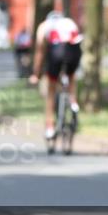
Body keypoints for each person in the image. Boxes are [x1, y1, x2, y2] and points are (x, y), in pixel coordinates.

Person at [29, 11, 83, 141]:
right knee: (71, 76)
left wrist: (36, 74)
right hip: (74, 51)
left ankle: (50, 127)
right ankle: (73, 103)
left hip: (57, 50)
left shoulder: (44, 25)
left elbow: (40, 52)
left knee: (51, 90)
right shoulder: (70, 22)